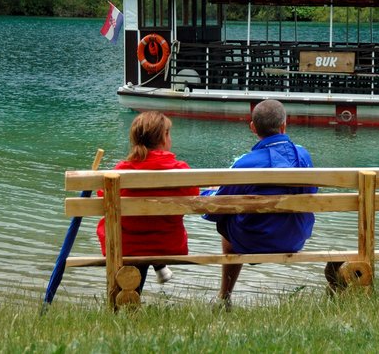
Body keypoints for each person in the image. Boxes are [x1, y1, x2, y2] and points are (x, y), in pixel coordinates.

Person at [203, 99, 316, 308]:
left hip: (251, 242)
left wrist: (208, 192)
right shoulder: (303, 156)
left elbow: (217, 209)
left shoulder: (244, 164)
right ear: (284, 126)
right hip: (294, 239)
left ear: (253, 127)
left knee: (226, 222)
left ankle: (224, 296)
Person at [96, 111, 199, 291]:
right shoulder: (180, 170)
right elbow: (193, 196)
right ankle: (157, 266)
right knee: (150, 231)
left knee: (128, 228)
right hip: (167, 244)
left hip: (124, 245)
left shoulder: (122, 170)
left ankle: (126, 298)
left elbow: (102, 196)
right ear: (164, 137)